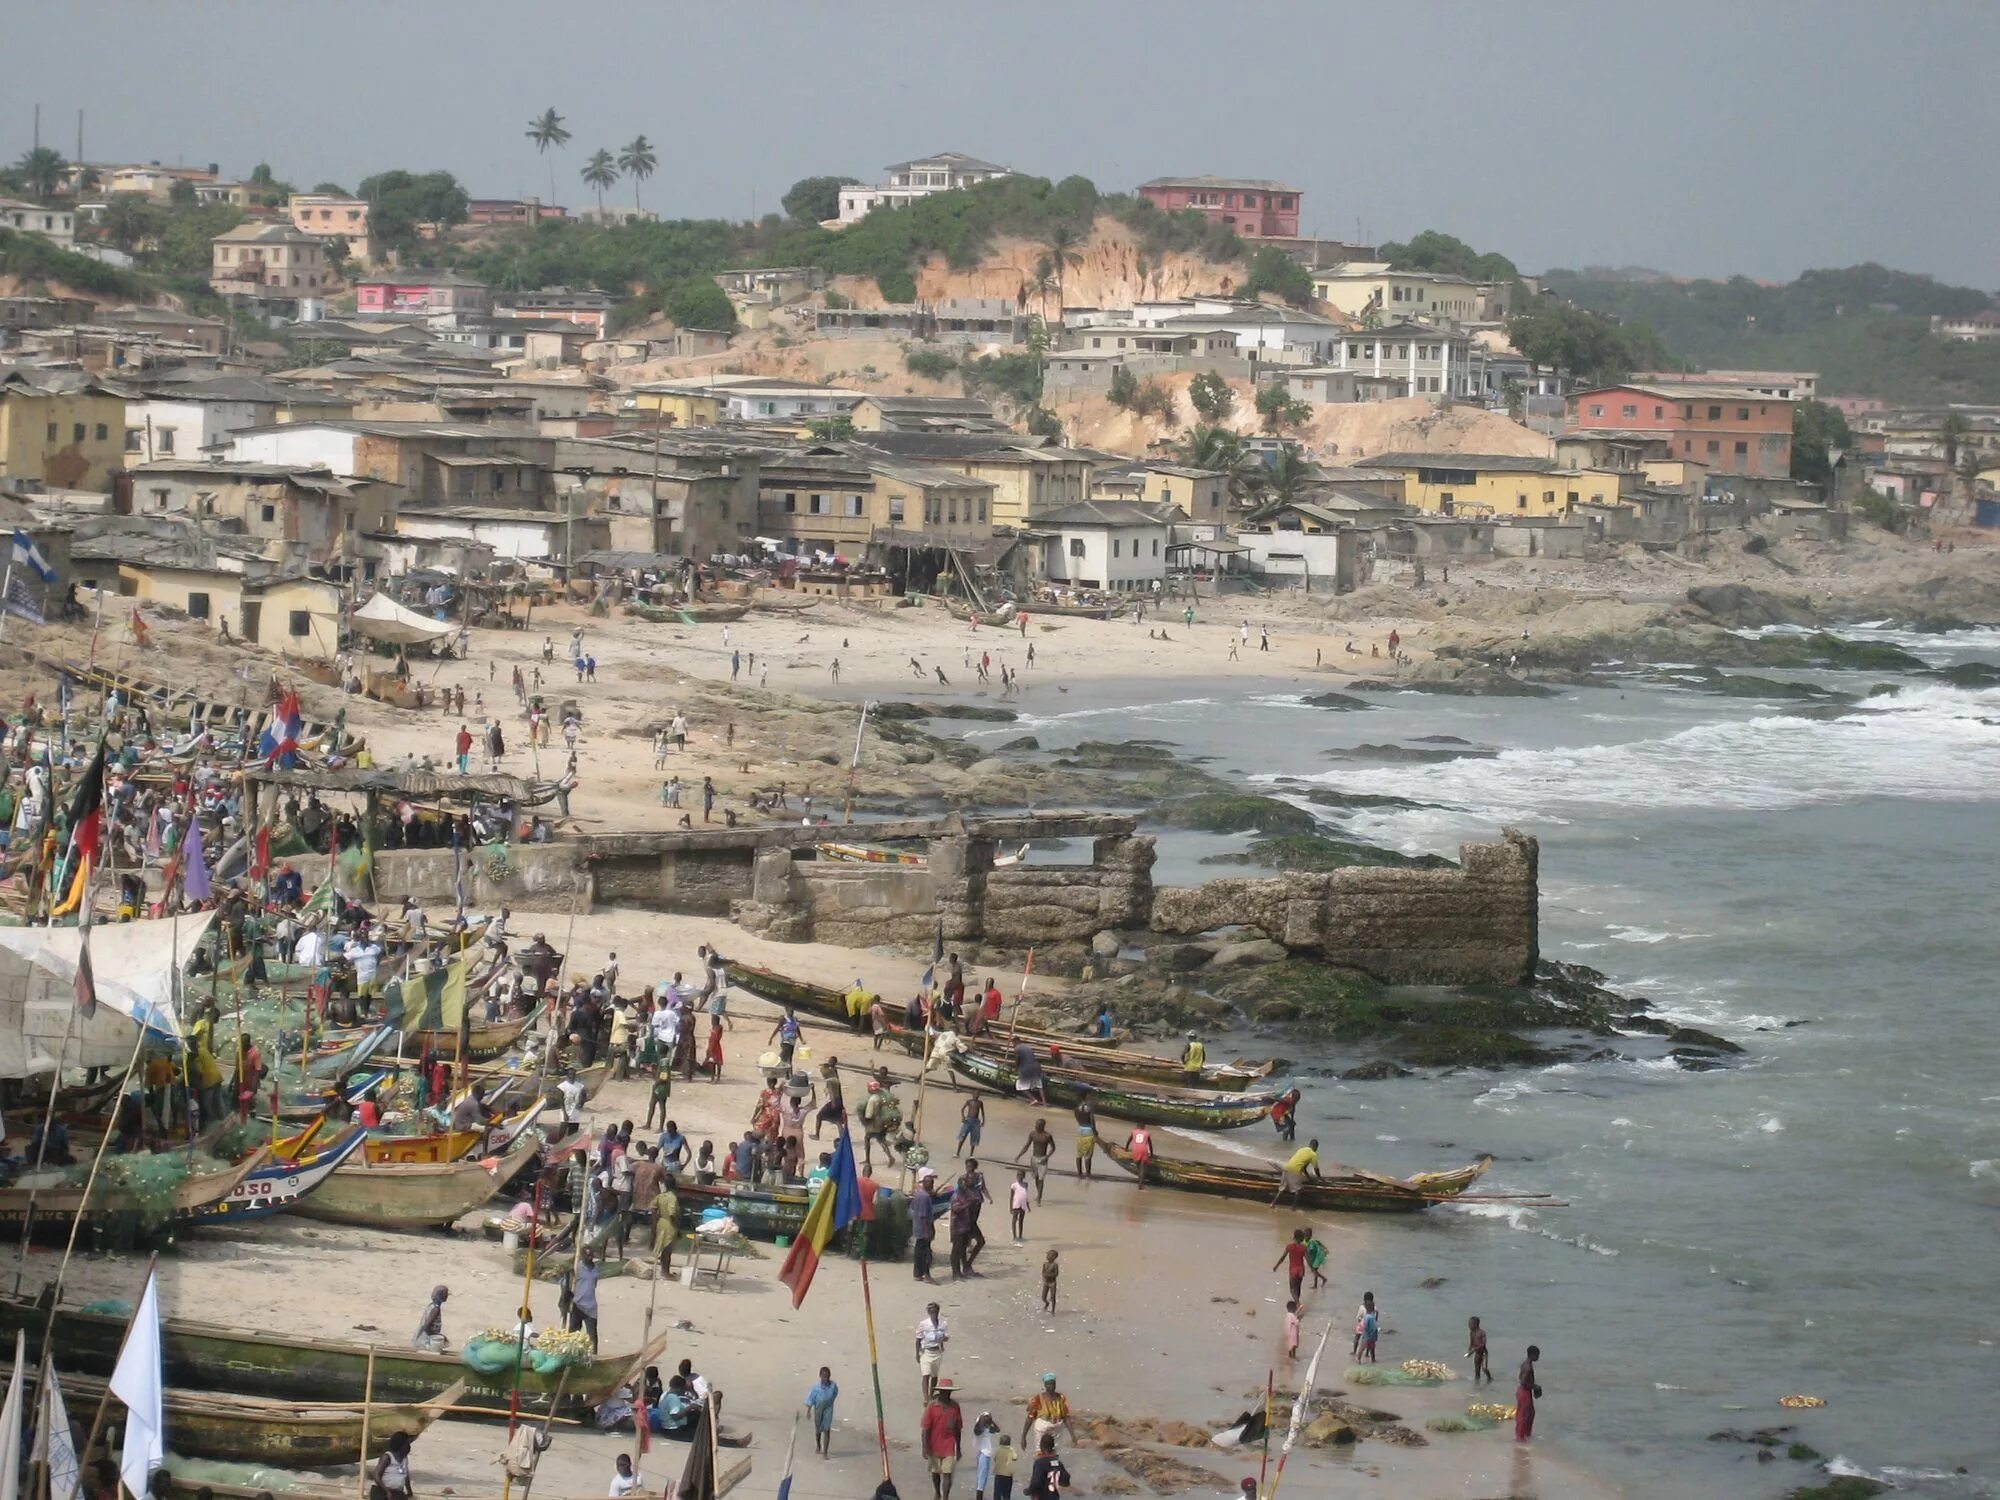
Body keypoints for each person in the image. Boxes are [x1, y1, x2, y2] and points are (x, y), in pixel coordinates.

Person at [922, 1380, 964, 1500]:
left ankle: (945, 1497)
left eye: (949, 1392)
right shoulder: (932, 1406)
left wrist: (959, 1449)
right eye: (944, 1392)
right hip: (934, 1444)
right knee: (935, 1472)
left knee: (947, 1473)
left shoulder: (955, 1407)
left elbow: (958, 1429)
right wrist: (925, 1447)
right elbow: (925, 1428)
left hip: (949, 1445)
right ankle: (937, 1492)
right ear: (940, 1392)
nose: (947, 1394)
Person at [1021, 1374, 1074, 1452]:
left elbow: (1066, 1416)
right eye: (1049, 1384)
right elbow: (1030, 1417)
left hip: (1057, 1427)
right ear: (1045, 1385)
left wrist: (1072, 1435)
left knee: (1055, 1451)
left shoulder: (1061, 1398)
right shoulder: (1038, 1399)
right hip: (1042, 1426)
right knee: (1040, 1450)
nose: (1051, 1386)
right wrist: (1023, 1437)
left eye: (1053, 1384)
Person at [1270, 1138, 1323, 1209]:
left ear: (1309, 1145)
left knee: (1282, 1188)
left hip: (1286, 1167)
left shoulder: (1301, 1149)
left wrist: (1308, 1177)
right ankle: (1293, 1208)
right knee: (1297, 1190)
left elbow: (1303, 1168)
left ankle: (1273, 1204)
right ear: (1316, 1146)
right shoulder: (1313, 1154)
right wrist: (1319, 1177)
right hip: (1295, 1170)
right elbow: (1316, 1169)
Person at [1015, 1118, 1056, 1203]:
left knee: (1041, 1179)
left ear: (1042, 1126)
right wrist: (1019, 1156)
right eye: (1036, 1124)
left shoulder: (1047, 1136)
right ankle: (1038, 1194)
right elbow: (1027, 1146)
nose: (1036, 1126)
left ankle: (1039, 1198)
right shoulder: (1032, 1134)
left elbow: (1053, 1148)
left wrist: (1046, 1157)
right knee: (1036, 1178)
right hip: (1034, 1158)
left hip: (1043, 1159)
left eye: (1038, 1125)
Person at [568, 1249, 600, 1350]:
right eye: (587, 1256)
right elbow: (568, 1283)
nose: (590, 1258)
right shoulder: (577, 1267)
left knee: (592, 1334)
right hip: (577, 1304)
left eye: (591, 1256)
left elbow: (594, 1284)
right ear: (582, 1256)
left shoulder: (596, 1268)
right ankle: (570, 1352)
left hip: (591, 1306)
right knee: (573, 1332)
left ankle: (594, 1355)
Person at [915, 1302, 949, 1398]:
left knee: (934, 1376)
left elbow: (946, 1337)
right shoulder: (924, 1324)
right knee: (926, 1374)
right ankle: (926, 1397)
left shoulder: (943, 1324)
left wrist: (941, 1339)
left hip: (937, 1352)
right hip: (926, 1352)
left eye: (934, 1310)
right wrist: (917, 1353)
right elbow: (918, 1339)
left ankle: (931, 1394)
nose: (932, 1312)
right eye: (930, 1311)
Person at [806, 1366, 839, 1458]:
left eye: (827, 1376)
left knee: (827, 1430)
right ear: (820, 1376)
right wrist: (808, 1411)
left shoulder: (833, 1386)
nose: (825, 1379)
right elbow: (811, 1399)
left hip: (828, 1409)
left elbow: (835, 1393)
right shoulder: (816, 1388)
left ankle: (825, 1452)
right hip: (818, 1409)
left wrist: (830, 1401)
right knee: (818, 1429)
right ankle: (818, 1445)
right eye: (824, 1376)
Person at [370, 1432, 414, 1500]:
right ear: (401, 1445)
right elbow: (376, 1476)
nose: (409, 1447)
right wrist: (387, 1491)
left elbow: (406, 1477)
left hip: (398, 1493)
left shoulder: (404, 1459)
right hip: (383, 1492)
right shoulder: (387, 1457)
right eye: (407, 1444)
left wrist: (409, 1492)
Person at [1515, 1345, 1542, 1441]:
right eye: (1537, 1355)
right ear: (1532, 1355)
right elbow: (1522, 1381)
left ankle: (1526, 1435)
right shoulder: (1527, 1367)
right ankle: (1520, 1438)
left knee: (1530, 1414)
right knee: (1523, 1416)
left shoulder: (1526, 1364)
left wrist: (1532, 1386)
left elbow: (1520, 1377)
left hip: (1525, 1391)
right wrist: (1534, 1386)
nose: (1538, 1357)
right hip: (1524, 1392)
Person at [1274, 1229, 1307, 1303]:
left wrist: (1277, 1265)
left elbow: (1283, 1258)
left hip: (1293, 1270)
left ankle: (1298, 1303)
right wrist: (1313, 1269)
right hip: (1301, 1269)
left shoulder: (1289, 1247)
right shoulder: (1304, 1247)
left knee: (1292, 1289)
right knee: (1298, 1288)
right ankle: (1297, 1304)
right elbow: (1308, 1260)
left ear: (1294, 1237)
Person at [412, 1285, 449, 1352]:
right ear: (443, 1297)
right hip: (426, 1340)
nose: (447, 1295)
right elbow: (426, 1326)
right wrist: (436, 1336)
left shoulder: (431, 1306)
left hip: (422, 1337)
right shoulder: (436, 1309)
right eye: (446, 1294)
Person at [1072, 1093, 1096, 1180]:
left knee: (1079, 1154)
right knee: (1088, 1155)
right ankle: (1088, 1175)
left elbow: (1078, 1120)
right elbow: (1092, 1122)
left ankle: (1079, 1173)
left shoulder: (1076, 1110)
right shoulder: (1089, 1109)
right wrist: (1095, 1133)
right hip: (1089, 1131)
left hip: (1080, 1130)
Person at [1350, 1291, 1377, 1358]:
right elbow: (1375, 1319)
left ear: (1364, 1299)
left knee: (1357, 1337)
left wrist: (1359, 1324)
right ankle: (1367, 1353)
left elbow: (1359, 1317)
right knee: (1369, 1340)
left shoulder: (1362, 1307)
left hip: (1362, 1324)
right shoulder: (1374, 1307)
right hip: (1370, 1326)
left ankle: (1354, 1351)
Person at [1008, 1170, 1031, 1242]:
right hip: (1016, 1204)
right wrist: (1010, 1207)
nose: (1019, 1176)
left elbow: (1026, 1195)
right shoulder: (1014, 1185)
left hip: (1023, 1204)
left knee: (1021, 1221)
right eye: (1018, 1175)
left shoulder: (1025, 1184)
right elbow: (1011, 1197)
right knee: (1014, 1220)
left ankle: (1020, 1236)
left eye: (1021, 1175)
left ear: (1024, 1176)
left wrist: (1028, 1206)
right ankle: (1014, 1236)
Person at [1468, 1316, 1490, 1385]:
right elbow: (1471, 1342)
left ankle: (1489, 1379)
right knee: (1477, 1370)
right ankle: (1477, 1385)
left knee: (1484, 1368)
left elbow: (1483, 1344)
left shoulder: (1482, 1333)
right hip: (1477, 1353)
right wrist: (1469, 1350)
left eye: (1470, 1324)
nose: (1469, 1325)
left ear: (1475, 1324)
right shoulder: (1472, 1332)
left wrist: (1473, 1350)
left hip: (1483, 1353)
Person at [1358, 1299, 1379, 1364]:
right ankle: (1359, 1359)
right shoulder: (1368, 1317)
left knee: (1369, 1347)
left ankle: (1371, 1359)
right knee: (1365, 1348)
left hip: (1370, 1335)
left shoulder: (1370, 1316)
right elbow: (1366, 1326)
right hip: (1368, 1335)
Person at [1040, 1249, 1059, 1314]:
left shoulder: (1055, 1265)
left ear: (1054, 1257)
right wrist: (1044, 1276)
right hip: (1046, 1282)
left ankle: (1053, 1311)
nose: (1047, 1256)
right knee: (1043, 1297)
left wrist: (1049, 1275)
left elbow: (1056, 1274)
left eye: (1049, 1255)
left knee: (1053, 1297)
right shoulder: (1045, 1264)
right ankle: (1047, 1303)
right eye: (1047, 1255)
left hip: (1052, 1283)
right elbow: (1043, 1272)